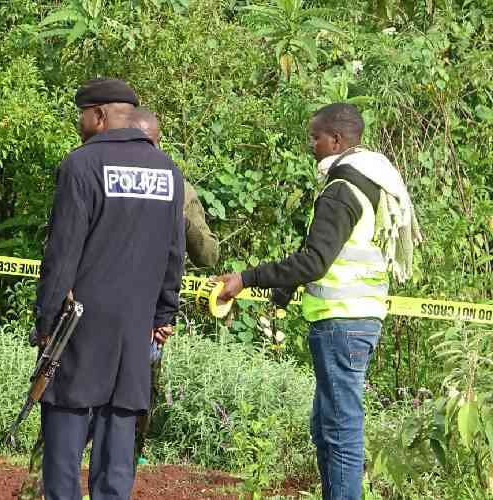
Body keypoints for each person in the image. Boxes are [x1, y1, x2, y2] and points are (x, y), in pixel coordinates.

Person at [217, 103, 421, 500]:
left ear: (337, 140)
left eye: (316, 138)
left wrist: (246, 278)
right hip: (357, 317)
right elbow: (326, 252)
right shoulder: (369, 181)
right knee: (326, 425)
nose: (312, 146)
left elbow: (314, 260)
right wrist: (284, 289)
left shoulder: (341, 189)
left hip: (341, 322)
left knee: (339, 429)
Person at [33, 78, 185, 500]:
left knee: (64, 439)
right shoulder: (168, 171)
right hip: (134, 330)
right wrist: (163, 316)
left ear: (98, 115)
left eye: (82, 114)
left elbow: (62, 254)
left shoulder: (81, 164)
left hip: (79, 328)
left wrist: (46, 323)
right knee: (118, 441)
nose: (80, 123)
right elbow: (176, 253)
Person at [131, 107, 220, 267]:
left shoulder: (179, 189)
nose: (142, 153)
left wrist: (182, 222)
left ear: (158, 144)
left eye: (148, 145)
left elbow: (209, 256)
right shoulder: (103, 182)